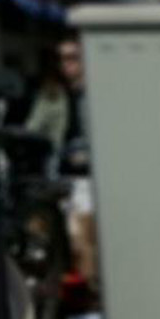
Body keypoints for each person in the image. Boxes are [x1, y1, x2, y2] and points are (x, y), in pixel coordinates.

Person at [24, 37, 99, 289]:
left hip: (92, 177)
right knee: (54, 237)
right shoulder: (52, 94)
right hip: (60, 176)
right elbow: (32, 130)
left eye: (72, 58)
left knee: (82, 238)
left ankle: (89, 294)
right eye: (61, 59)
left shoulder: (99, 93)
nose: (66, 65)